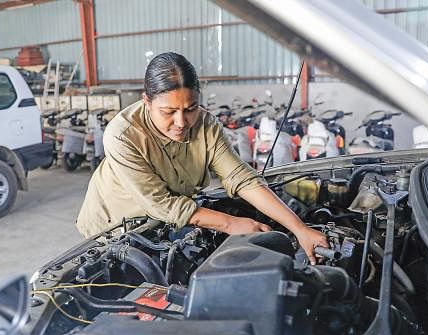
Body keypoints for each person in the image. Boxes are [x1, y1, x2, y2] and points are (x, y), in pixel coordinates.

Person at [76, 52, 328, 264]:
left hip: (166, 222)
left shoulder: (206, 125)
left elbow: (241, 178)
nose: (181, 122)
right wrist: (230, 224)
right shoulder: (123, 135)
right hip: (114, 226)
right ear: (146, 102)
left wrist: (300, 229)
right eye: (168, 111)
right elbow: (163, 205)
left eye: (190, 109)